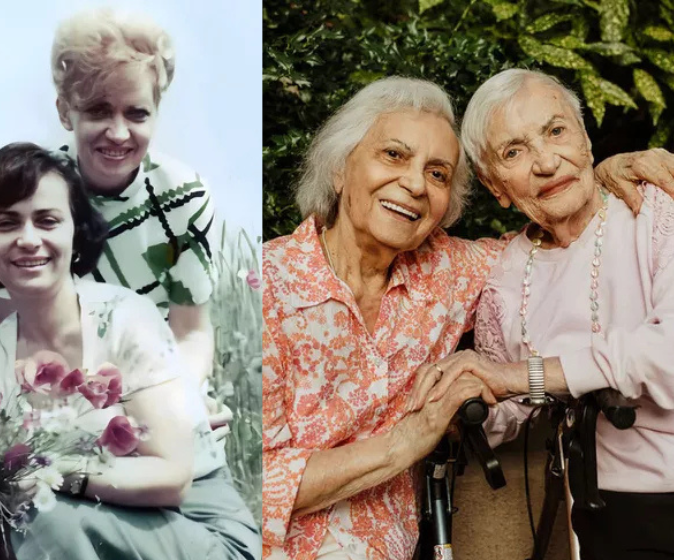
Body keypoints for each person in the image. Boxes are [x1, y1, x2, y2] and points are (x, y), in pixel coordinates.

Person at [262, 75, 674, 560]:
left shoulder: (451, 273)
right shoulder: (259, 286)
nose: (415, 183)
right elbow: (229, 482)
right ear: (339, 169)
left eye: (437, 173)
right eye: (393, 155)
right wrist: (412, 436)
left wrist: (605, 169)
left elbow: (566, 241)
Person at [0, 143, 260, 560]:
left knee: (45, 516)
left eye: (47, 220)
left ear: (75, 231)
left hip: (195, 530)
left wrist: (55, 471)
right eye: (6, 223)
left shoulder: (125, 319)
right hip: (77, 524)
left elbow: (174, 477)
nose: (28, 240)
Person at [410, 68, 674, 559]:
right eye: (514, 152)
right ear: (497, 188)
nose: (547, 162)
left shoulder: (657, 207)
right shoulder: (508, 273)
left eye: (556, 131)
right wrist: (457, 403)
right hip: (602, 510)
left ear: (587, 141)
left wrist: (520, 375)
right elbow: (510, 405)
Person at [0, 8, 227, 433]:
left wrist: (176, 399)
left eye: (137, 113)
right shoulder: (29, 190)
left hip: (153, 383)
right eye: (97, 111)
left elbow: (190, 333)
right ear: (65, 112)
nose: (118, 133)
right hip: (50, 396)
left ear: (156, 111)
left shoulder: (185, 198)